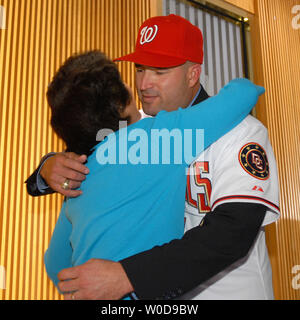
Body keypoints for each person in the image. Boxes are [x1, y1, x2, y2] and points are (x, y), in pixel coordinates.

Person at [26, 15, 280, 300]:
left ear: (193, 74)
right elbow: (88, 159)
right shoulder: (131, 132)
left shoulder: (241, 130)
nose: (144, 83)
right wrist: (46, 171)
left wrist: (129, 275)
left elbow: (232, 233)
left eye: (159, 71)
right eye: (139, 68)